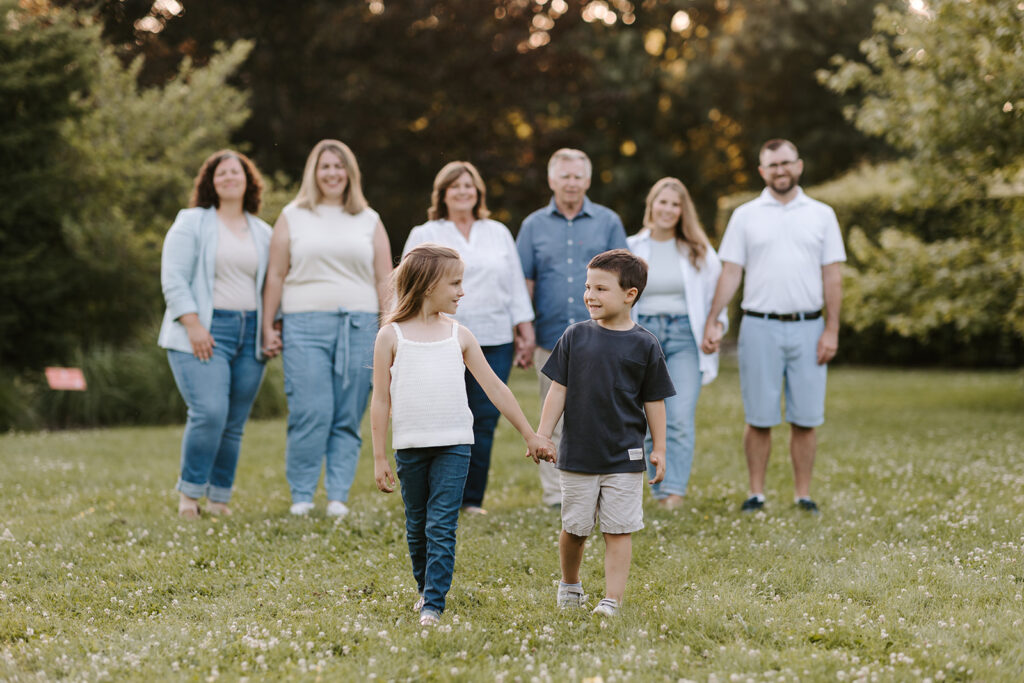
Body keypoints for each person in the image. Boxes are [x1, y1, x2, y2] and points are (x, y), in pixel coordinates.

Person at [369, 244, 554, 627]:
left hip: (455, 444)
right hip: (410, 448)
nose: (461, 291)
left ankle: (434, 604)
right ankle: (425, 590)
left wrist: (530, 434)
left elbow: (497, 389)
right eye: (454, 283)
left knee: (441, 524)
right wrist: (379, 456)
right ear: (427, 284)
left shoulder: (459, 335)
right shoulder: (391, 336)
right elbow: (381, 400)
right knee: (417, 526)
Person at [701, 139, 846, 515]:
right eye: (772, 165)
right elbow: (731, 271)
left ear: (798, 165)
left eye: (786, 163)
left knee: (806, 418)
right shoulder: (746, 215)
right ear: (762, 172)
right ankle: (756, 493)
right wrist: (714, 317)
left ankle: (803, 495)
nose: (780, 170)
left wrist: (832, 329)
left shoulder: (822, 214)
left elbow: (832, 276)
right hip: (759, 327)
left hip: (809, 327)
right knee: (759, 417)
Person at [538, 249, 676, 617]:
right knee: (576, 528)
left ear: (630, 294)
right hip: (579, 455)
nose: (590, 296)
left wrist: (658, 447)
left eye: (601, 288)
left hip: (625, 456)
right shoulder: (574, 336)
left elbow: (655, 400)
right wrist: (542, 434)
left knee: (619, 530)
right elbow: (558, 390)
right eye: (587, 287)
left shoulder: (645, 344)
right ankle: (570, 585)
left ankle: (611, 599)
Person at [262, 139, 393, 518]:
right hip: (304, 324)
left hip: (359, 325)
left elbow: (384, 278)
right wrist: (269, 325)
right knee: (311, 410)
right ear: (313, 173)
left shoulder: (368, 218)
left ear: (350, 173)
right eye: (325, 166)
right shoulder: (293, 215)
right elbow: (275, 274)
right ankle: (302, 495)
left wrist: (388, 330)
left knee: (347, 414)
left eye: (339, 167)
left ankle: (338, 496)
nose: (332, 173)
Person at [403, 161, 535, 515]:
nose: (463, 191)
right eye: (455, 186)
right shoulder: (425, 232)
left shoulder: (497, 232)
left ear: (479, 192)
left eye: (469, 186)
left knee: (484, 418)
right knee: (441, 414)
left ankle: (471, 500)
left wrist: (525, 330)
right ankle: (437, 495)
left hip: (493, 336)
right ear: (442, 193)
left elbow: (514, 284)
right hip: (438, 338)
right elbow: (407, 284)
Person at [159, 150, 274, 518]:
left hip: (251, 333)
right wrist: (193, 324)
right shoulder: (192, 222)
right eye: (220, 173)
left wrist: (273, 329)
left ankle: (219, 498)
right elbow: (173, 276)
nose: (228, 178)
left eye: (235, 172)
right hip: (205, 330)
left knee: (234, 422)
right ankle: (189, 497)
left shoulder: (263, 231)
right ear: (210, 181)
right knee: (209, 411)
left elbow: (273, 285)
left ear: (248, 180)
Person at [516, 148, 629, 508]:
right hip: (551, 337)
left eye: (577, 176)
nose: (571, 182)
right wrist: (526, 328)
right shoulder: (533, 225)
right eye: (564, 176)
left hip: (601, 337)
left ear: (588, 180)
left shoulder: (608, 221)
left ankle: (601, 489)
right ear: (552, 180)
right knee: (554, 416)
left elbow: (625, 278)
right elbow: (525, 281)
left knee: (601, 414)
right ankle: (555, 494)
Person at [627, 177, 728, 509]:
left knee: (680, 416)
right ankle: (657, 488)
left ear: (683, 210)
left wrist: (717, 326)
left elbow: (718, 298)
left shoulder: (698, 250)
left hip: (686, 336)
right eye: (663, 202)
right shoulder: (633, 247)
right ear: (651, 205)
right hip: (644, 337)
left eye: (675, 204)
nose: (668, 209)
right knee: (645, 417)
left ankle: (674, 492)